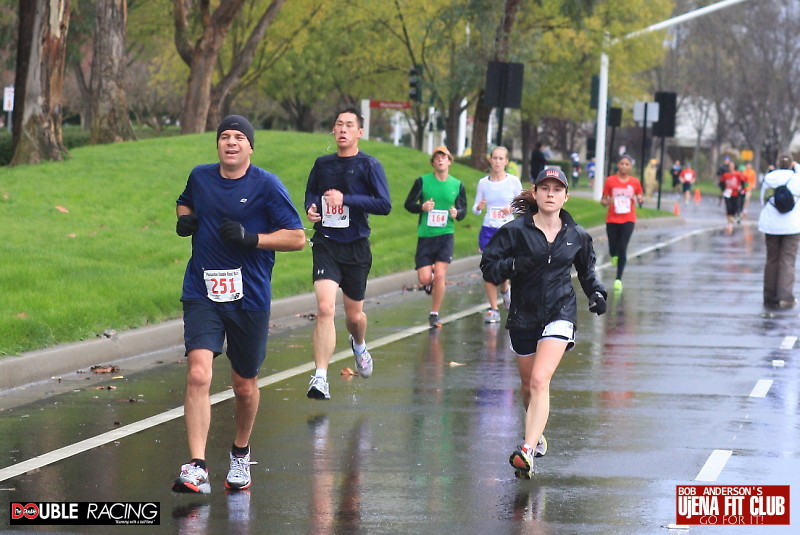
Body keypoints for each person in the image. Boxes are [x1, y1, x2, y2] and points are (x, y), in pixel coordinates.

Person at [172, 115, 306, 494]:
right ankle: (197, 465)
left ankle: (240, 452)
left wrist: (252, 238)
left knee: (244, 386)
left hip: (249, 296)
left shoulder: (266, 185)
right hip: (203, 290)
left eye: (239, 137)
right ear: (217, 145)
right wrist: (185, 221)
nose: (231, 142)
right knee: (199, 373)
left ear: (250, 147)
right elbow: (184, 204)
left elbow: (296, 238)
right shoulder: (200, 177)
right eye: (224, 137)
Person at [480, 167, 607, 480]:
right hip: (523, 315)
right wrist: (514, 264)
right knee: (528, 387)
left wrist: (596, 293)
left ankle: (526, 450)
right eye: (545, 188)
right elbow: (489, 268)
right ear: (535, 193)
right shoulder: (515, 231)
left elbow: (587, 271)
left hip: (560, 312)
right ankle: (536, 434)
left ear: (565, 196)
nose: (551, 194)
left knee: (540, 380)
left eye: (557, 189)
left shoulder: (576, 235)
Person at [304, 107, 392, 400]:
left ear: (359, 132)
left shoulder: (369, 165)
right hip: (326, 242)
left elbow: (384, 204)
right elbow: (311, 193)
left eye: (349, 125)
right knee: (326, 308)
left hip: (356, 246)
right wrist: (312, 209)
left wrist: (347, 199)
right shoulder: (322, 164)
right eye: (339, 124)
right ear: (333, 129)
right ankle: (320, 377)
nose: (342, 129)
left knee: (354, 317)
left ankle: (359, 344)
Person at [404, 145, 467, 328]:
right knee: (424, 278)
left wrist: (457, 212)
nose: (440, 160)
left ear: (449, 162)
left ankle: (434, 313)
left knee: (440, 274)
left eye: (444, 157)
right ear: (433, 162)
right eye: (437, 158)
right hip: (425, 235)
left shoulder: (457, 185)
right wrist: (421, 207)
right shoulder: (422, 182)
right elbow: (408, 204)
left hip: (445, 235)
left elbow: (462, 211)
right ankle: (429, 283)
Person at [472, 146, 523, 323]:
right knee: (488, 268)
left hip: (508, 230)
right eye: (495, 158)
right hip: (488, 230)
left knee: (505, 268)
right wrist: (478, 208)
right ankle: (493, 309)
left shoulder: (513, 182)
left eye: (501, 159)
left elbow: (524, 204)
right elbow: (476, 208)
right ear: (490, 160)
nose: (497, 162)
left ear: (506, 162)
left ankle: (505, 289)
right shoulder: (483, 183)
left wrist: (511, 208)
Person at [758, 155, 800, 308]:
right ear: (791, 164)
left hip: (770, 224)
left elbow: (763, 200)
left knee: (772, 259)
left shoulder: (769, 178)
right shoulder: (797, 179)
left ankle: (769, 295)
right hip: (792, 225)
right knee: (787, 260)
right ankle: (785, 296)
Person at [601, 154, 643, 292]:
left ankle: (618, 279)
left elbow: (640, 196)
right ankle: (614, 255)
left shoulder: (635, 182)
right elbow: (603, 200)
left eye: (627, 164)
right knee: (613, 247)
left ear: (631, 167)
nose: (624, 166)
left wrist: (641, 200)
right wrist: (608, 201)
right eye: (622, 163)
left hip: (628, 219)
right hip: (612, 218)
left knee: (622, 247)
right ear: (617, 165)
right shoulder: (610, 181)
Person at [718, 160, 746, 230]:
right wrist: (723, 190)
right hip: (727, 193)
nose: (731, 168)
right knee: (728, 207)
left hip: (736, 193)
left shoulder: (738, 174)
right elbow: (721, 183)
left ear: (734, 167)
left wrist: (742, 189)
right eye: (730, 166)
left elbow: (744, 182)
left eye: (732, 166)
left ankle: (736, 216)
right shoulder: (725, 175)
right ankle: (730, 223)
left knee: (735, 207)